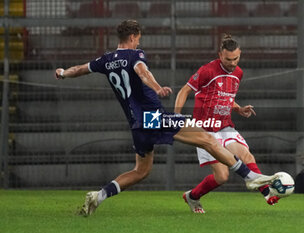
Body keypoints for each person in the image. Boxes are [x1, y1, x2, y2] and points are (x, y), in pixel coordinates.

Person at [55, 20, 279, 216]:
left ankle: (99, 196)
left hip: (136, 124)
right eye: (138, 39)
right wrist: (158, 88)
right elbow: (142, 72)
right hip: (154, 117)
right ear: (133, 37)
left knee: (141, 171)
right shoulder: (135, 55)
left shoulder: (105, 59)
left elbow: (81, 69)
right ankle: (250, 176)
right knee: (208, 139)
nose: (138, 43)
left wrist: (63, 73)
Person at [174, 34, 280, 214]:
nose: (232, 63)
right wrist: (176, 115)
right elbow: (184, 90)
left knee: (246, 155)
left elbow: (225, 97)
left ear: (240, 55)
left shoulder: (238, 73)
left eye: (236, 58)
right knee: (222, 177)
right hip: (205, 129)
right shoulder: (207, 70)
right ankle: (193, 196)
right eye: (228, 59)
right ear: (220, 55)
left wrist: (238, 109)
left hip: (225, 126)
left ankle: (267, 193)